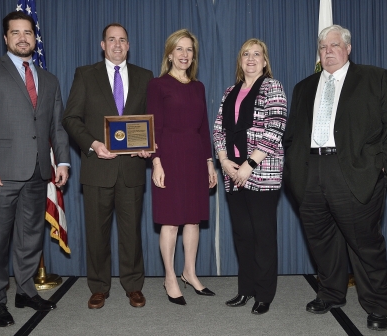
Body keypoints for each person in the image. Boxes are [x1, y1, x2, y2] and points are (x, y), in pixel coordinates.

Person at [283, 25, 387, 331]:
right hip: (310, 173)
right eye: (323, 47)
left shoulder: (375, 78)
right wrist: (293, 171)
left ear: (348, 48)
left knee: (365, 244)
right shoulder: (303, 87)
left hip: (354, 171)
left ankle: (378, 305)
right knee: (321, 241)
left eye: (334, 45)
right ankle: (330, 293)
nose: (328, 51)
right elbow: (292, 136)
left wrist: (380, 167)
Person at [0, 11, 70, 327]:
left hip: (38, 172)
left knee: (30, 238)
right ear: (6, 38)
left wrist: (62, 161)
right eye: (16, 33)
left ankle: (25, 291)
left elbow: (57, 126)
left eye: (28, 32)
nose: (23, 38)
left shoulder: (49, 80)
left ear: (35, 38)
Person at [62, 23, 153, 309]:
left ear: (129, 45)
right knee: (97, 233)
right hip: (97, 169)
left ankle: (133, 285)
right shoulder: (85, 75)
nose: (117, 45)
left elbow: (152, 121)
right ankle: (99, 287)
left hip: (131, 170)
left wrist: (148, 144)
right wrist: (92, 144)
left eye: (122, 40)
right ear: (103, 45)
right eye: (111, 40)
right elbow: (71, 119)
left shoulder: (145, 76)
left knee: (131, 233)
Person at [213, 38, 287, 315]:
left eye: (257, 54)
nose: (252, 58)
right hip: (232, 173)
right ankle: (246, 290)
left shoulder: (273, 87)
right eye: (246, 54)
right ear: (240, 60)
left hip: (262, 173)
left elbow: (275, 128)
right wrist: (224, 161)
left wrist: (249, 165)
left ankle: (264, 294)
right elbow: (219, 129)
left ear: (265, 61)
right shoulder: (229, 91)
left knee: (263, 236)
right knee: (243, 235)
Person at [147, 29, 217, 306]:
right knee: (171, 221)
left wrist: (210, 163)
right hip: (169, 158)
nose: (184, 54)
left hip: (196, 158)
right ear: (169, 54)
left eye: (189, 50)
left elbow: (203, 129)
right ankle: (170, 277)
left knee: (193, 219)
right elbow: (155, 127)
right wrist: (156, 162)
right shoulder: (157, 85)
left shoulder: (198, 87)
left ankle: (189, 272)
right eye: (179, 49)